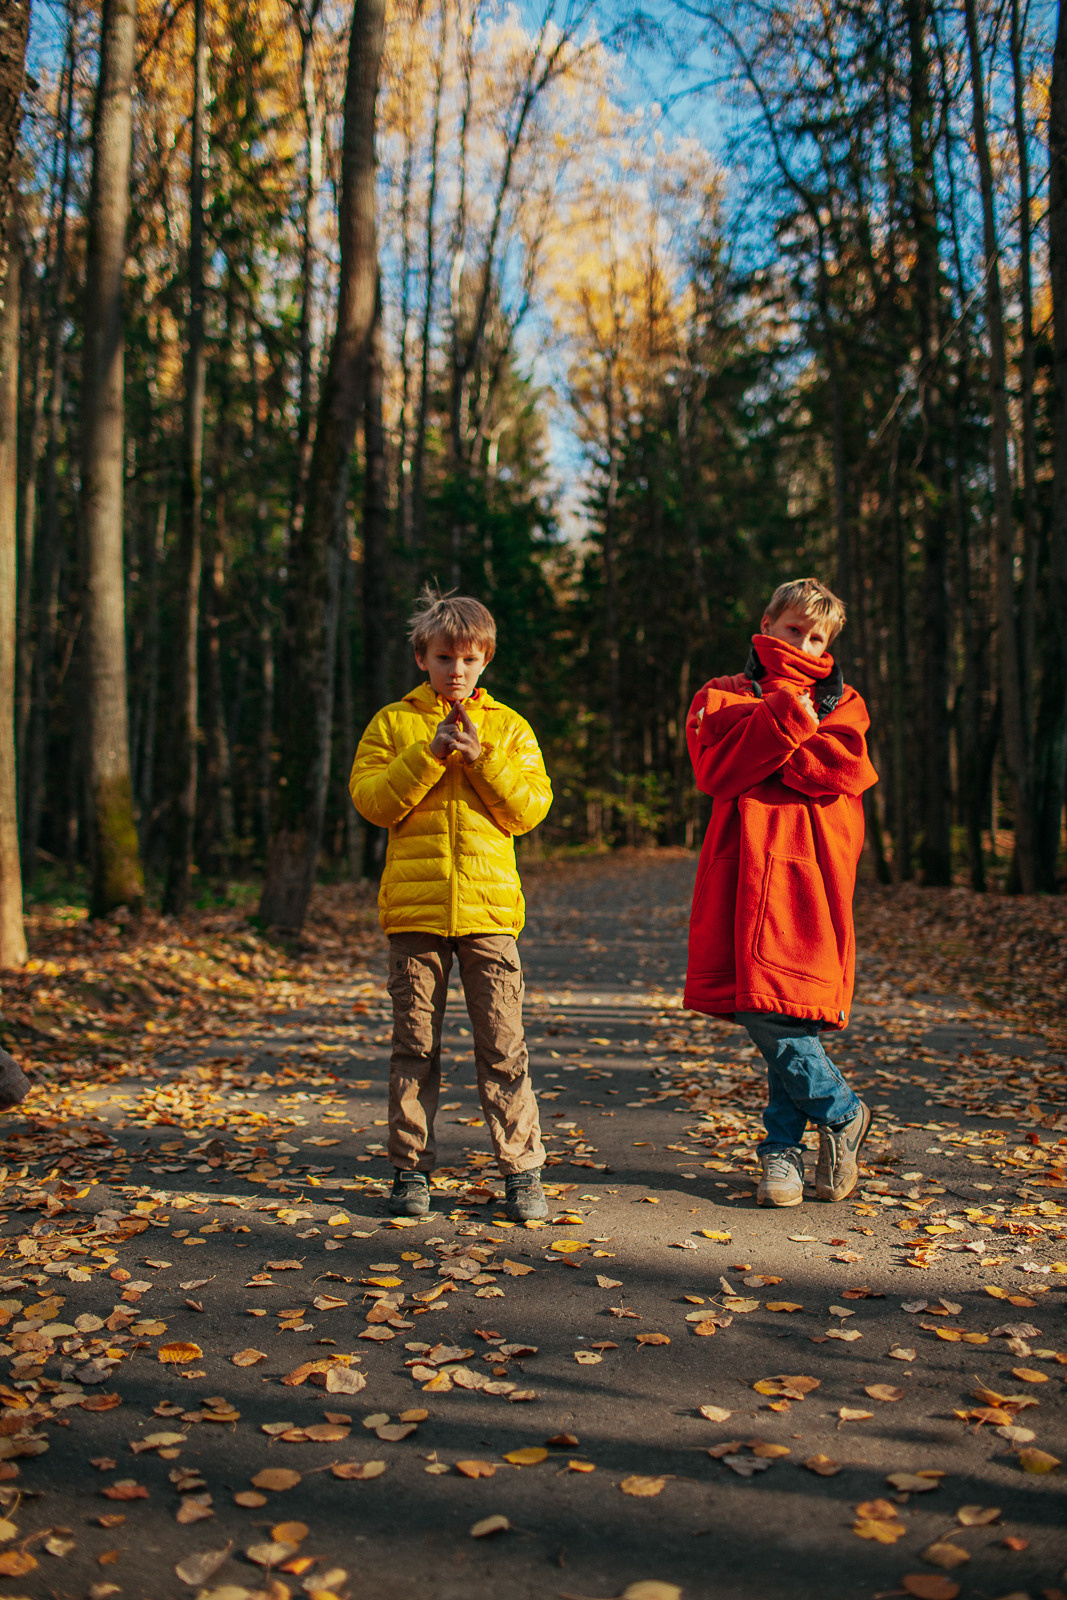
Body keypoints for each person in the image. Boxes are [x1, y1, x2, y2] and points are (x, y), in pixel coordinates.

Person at [350, 588, 553, 1223]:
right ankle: (411, 1171)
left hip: (490, 918)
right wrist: (427, 755)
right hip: (415, 917)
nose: (456, 670)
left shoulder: (509, 728)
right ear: (422, 658)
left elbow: (530, 809)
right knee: (415, 1047)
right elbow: (373, 802)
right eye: (443, 658)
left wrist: (481, 759)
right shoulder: (392, 724)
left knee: (503, 1047)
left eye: (468, 659)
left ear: (486, 660)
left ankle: (521, 1171)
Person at [684, 577, 879, 1207]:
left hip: (808, 874)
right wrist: (787, 719)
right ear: (767, 622)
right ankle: (840, 1112)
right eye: (793, 628)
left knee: (784, 1005)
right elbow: (717, 770)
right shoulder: (721, 694)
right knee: (760, 1001)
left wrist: (771, 730)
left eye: (816, 635)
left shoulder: (843, 701)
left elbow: (840, 771)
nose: (803, 642)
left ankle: (782, 1157)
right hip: (741, 874)